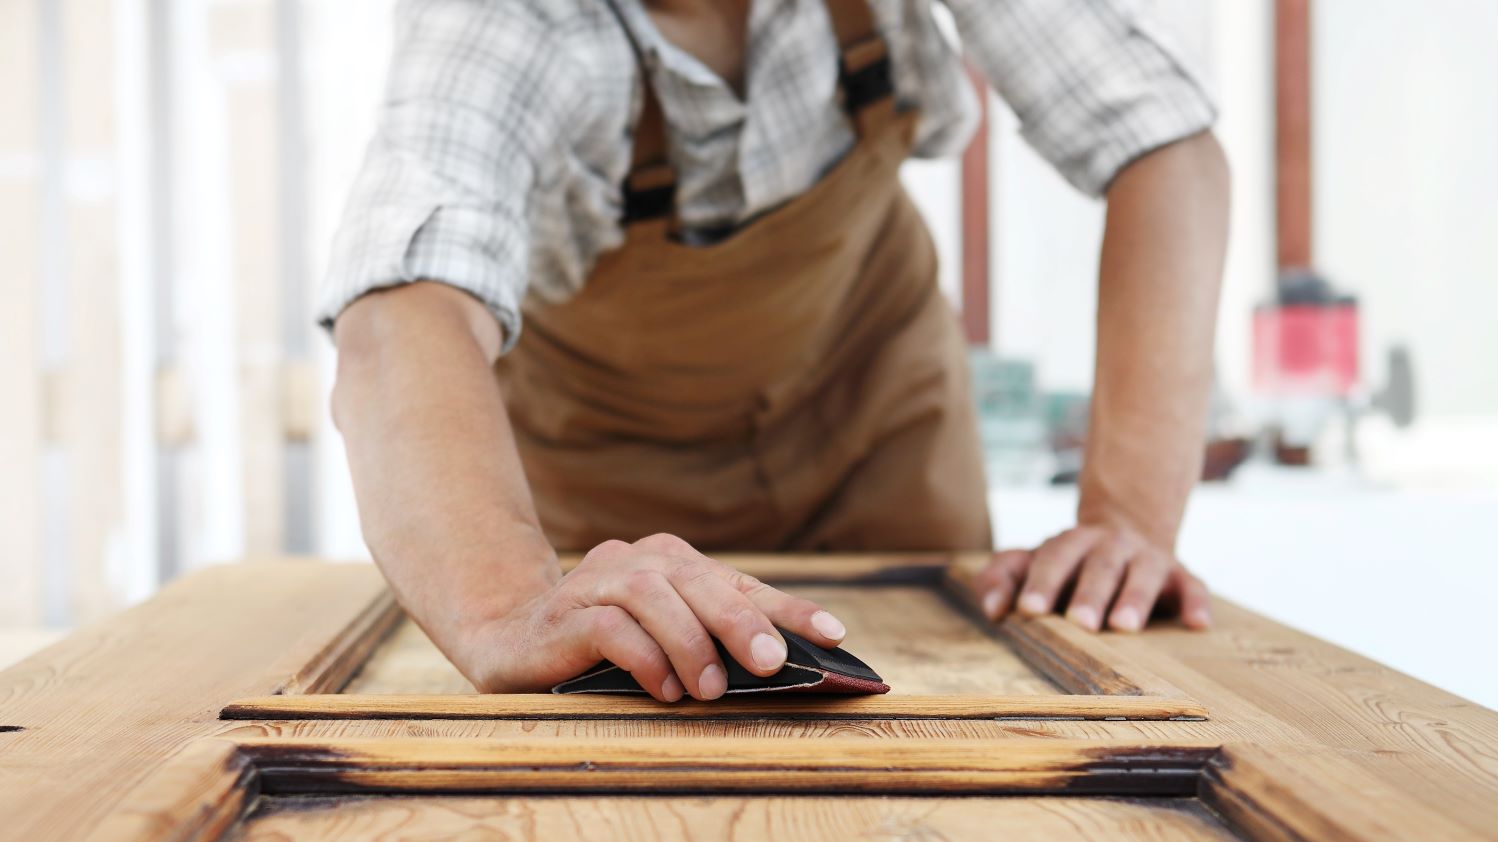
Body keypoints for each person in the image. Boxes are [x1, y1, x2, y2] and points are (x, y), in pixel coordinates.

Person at [321, 0, 1228, 702]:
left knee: (929, 738)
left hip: (876, 411)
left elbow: (1163, 151)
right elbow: (401, 313)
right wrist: (505, 607)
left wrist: (1128, 524)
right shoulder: (501, 19)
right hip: (605, 470)